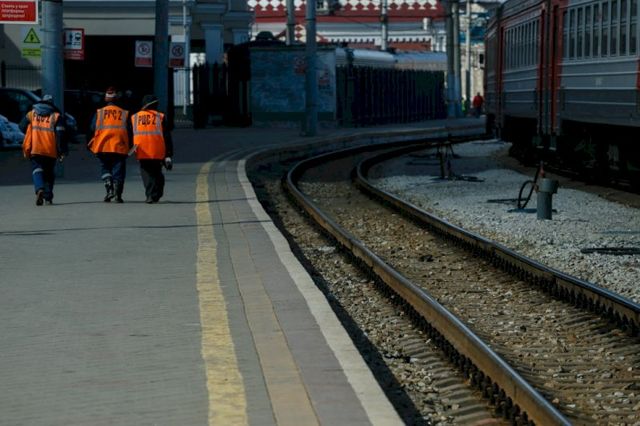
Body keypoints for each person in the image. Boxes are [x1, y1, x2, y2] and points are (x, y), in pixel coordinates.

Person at [20, 94, 67, 206]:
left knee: (37, 169)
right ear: (52, 104)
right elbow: (61, 135)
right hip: (50, 149)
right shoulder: (56, 116)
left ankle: (39, 188)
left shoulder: (31, 114)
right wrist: (62, 150)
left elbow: (21, 126)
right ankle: (48, 196)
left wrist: (30, 130)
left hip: (35, 148)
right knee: (49, 173)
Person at [87, 87, 133, 203]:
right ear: (117, 99)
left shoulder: (100, 112)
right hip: (119, 146)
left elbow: (92, 128)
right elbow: (129, 130)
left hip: (102, 146)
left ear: (106, 99)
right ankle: (118, 194)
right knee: (119, 169)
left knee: (105, 167)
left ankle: (109, 187)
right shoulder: (124, 113)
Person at [130, 94, 173, 204]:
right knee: (157, 172)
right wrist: (168, 154)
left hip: (141, 150)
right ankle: (155, 193)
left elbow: (131, 134)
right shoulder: (161, 117)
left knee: (146, 173)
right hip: (157, 150)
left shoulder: (134, 117)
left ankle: (150, 194)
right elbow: (167, 136)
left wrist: (129, 148)